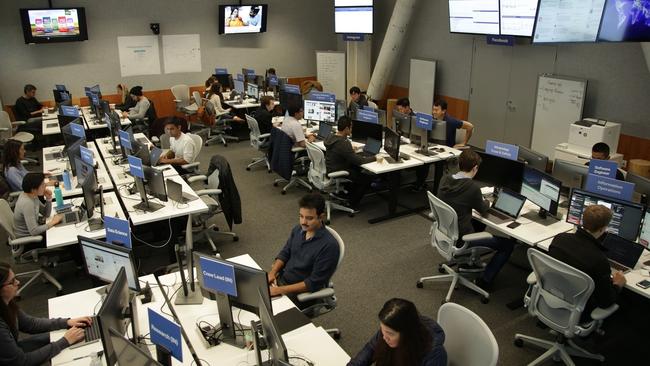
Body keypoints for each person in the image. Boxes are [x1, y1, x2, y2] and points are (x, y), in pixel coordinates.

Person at [437, 149, 515, 289]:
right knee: (507, 245)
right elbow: (484, 210)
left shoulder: (445, 179)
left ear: (460, 164)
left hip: (446, 232)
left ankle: (465, 260)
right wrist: (488, 201)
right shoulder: (472, 188)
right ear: (475, 168)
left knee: (478, 224)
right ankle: (485, 281)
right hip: (462, 237)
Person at [0, 262, 91, 365]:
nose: (18, 282)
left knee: (58, 335)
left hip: (13, 351)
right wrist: (65, 341)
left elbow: (30, 324)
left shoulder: (6, 303)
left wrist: (66, 322)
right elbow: (22, 362)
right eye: (12, 281)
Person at [549, 205, 626, 319]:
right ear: (602, 229)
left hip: (550, 295)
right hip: (580, 311)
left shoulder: (559, 238)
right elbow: (605, 302)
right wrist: (618, 285)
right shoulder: (598, 259)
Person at [267, 194, 340, 308]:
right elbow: (285, 253)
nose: (303, 222)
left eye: (309, 218)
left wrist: (279, 290)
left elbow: (313, 283)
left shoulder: (329, 246)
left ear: (321, 217)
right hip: (281, 280)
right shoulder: (298, 229)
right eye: (301, 216)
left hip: (299, 293)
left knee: (263, 315)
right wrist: (272, 273)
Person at [348, 298, 447, 366]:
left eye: (390, 333)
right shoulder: (387, 331)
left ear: (407, 334)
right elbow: (370, 349)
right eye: (382, 330)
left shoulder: (434, 353)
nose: (384, 337)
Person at [324, 116, 375, 209]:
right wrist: (375, 158)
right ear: (347, 128)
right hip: (338, 169)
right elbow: (360, 161)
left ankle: (347, 193)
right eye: (351, 127)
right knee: (366, 179)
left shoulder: (331, 136)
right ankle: (353, 204)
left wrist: (350, 151)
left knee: (357, 170)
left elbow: (341, 151)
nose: (352, 129)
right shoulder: (343, 143)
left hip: (331, 167)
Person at [13, 173, 62, 239]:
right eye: (42, 185)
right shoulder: (27, 203)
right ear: (33, 190)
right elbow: (34, 231)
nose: (45, 186)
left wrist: (48, 198)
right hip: (28, 238)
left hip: (36, 228)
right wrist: (53, 222)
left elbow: (46, 214)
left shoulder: (32, 195)